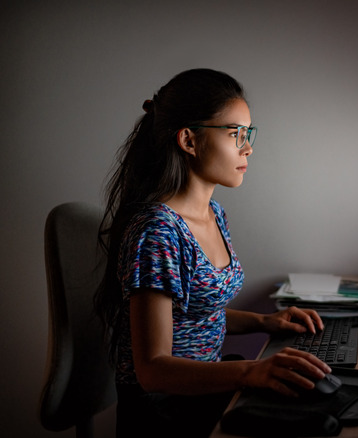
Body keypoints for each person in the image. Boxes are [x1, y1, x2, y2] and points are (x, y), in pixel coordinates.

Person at [94, 68, 331, 438]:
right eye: (235, 133)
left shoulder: (213, 214)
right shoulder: (158, 233)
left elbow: (194, 312)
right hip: (165, 413)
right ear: (189, 140)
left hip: (200, 394)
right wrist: (252, 371)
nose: (248, 147)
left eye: (248, 133)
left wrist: (264, 322)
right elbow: (153, 369)